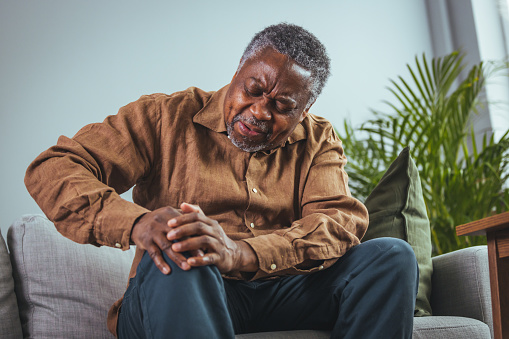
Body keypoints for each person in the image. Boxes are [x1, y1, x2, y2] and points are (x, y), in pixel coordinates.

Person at [25, 23, 418, 338]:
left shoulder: (319, 139)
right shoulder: (164, 116)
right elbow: (54, 168)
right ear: (237, 73)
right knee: (184, 246)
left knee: (391, 257)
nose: (260, 111)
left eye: (282, 106)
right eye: (254, 89)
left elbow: (335, 223)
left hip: (278, 290)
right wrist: (137, 223)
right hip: (177, 289)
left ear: (305, 108)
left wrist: (241, 254)